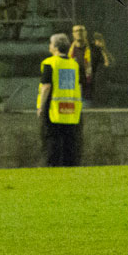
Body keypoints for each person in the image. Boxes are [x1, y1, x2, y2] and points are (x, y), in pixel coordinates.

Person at [37, 32, 82, 167]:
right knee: (70, 140)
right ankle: (70, 167)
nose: (49, 46)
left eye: (51, 44)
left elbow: (46, 86)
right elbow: (78, 86)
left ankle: (53, 166)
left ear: (55, 47)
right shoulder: (74, 64)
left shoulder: (50, 63)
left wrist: (41, 106)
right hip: (71, 108)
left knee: (52, 139)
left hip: (54, 108)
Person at [68, 24, 109, 103]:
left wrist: (103, 49)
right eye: (76, 31)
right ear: (73, 34)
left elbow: (108, 64)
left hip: (89, 90)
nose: (79, 33)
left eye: (81, 30)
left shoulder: (94, 48)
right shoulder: (69, 50)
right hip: (72, 90)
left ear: (85, 33)